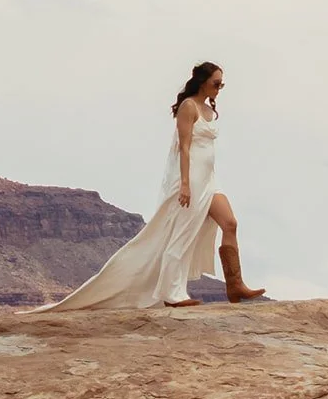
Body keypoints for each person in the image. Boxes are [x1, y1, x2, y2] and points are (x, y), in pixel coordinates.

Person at [29, 62, 265, 312]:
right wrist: (185, 184)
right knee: (182, 234)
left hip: (210, 179)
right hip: (192, 180)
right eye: (216, 83)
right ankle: (172, 293)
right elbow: (184, 148)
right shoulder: (188, 107)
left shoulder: (207, 109)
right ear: (203, 82)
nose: (220, 88)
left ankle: (235, 285)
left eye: (222, 84)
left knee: (230, 223)